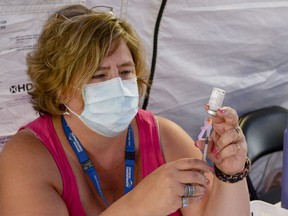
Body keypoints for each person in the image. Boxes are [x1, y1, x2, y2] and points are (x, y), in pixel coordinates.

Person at [0, 4, 250, 216]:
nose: (117, 86)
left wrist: (231, 173)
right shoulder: (27, 159)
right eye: (98, 75)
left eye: (125, 72)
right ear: (59, 89)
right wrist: (139, 206)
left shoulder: (162, 135)